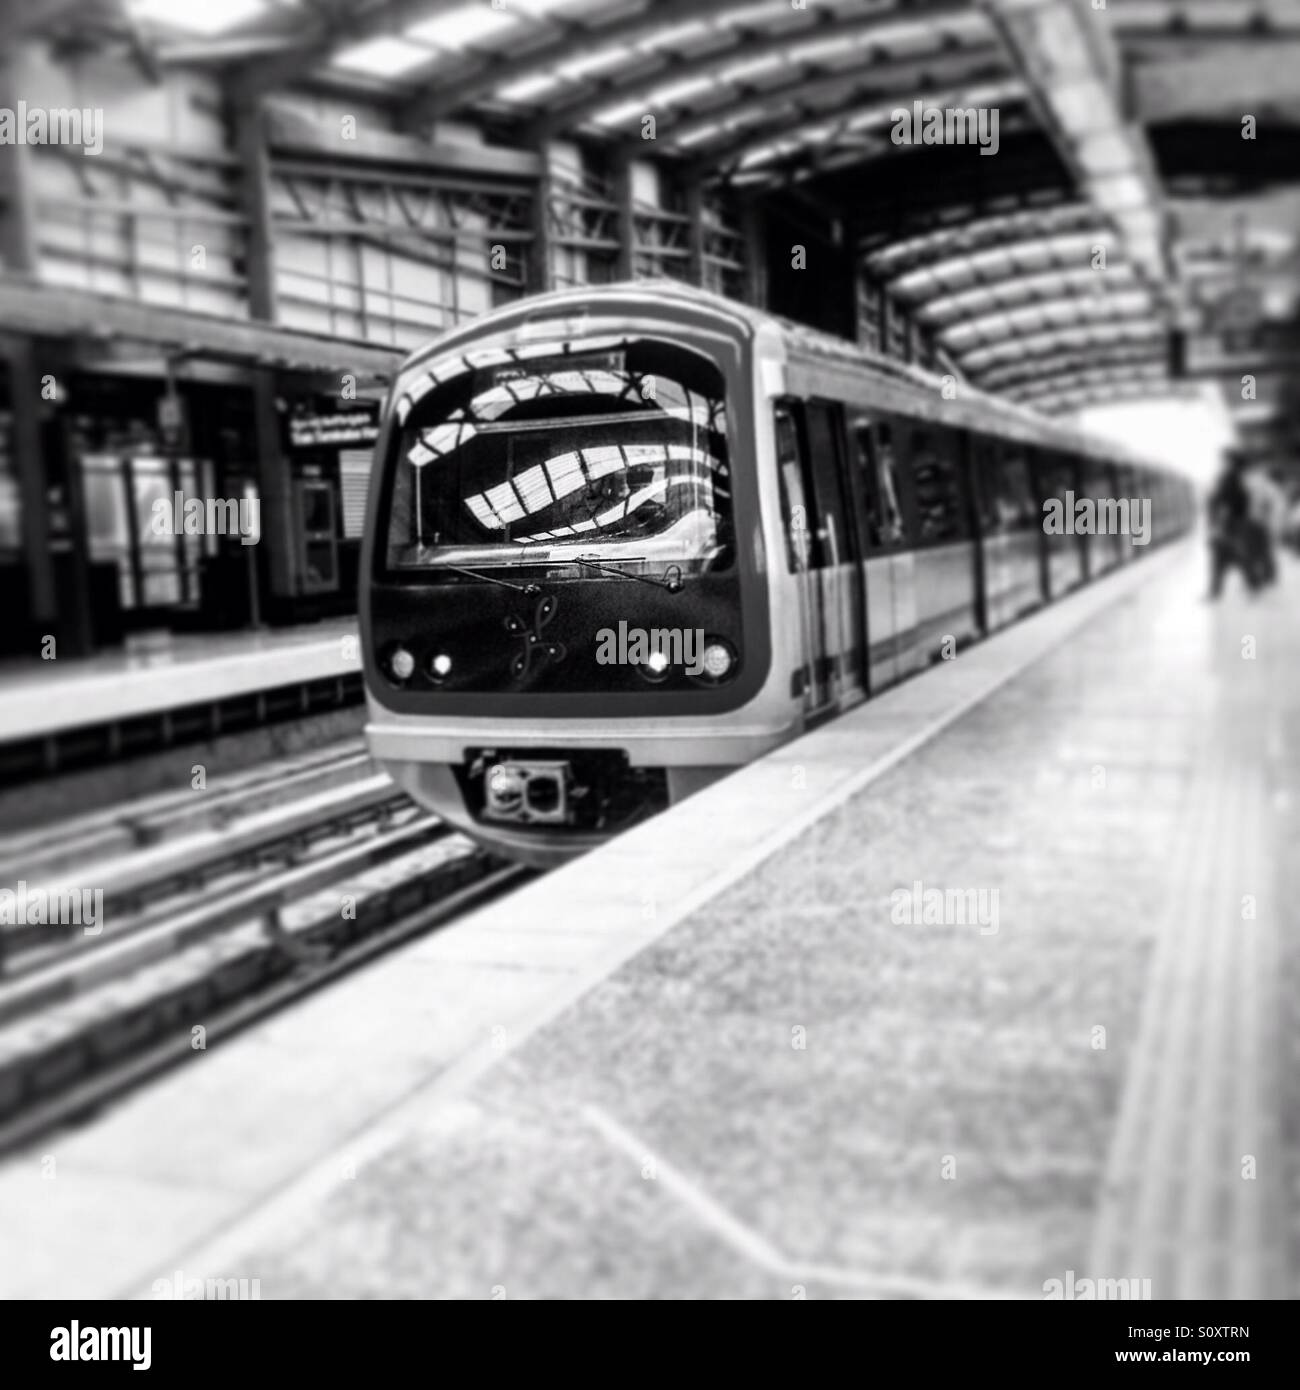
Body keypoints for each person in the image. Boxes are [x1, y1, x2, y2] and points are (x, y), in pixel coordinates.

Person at [1205, 452, 1255, 600]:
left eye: (1225, 460)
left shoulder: (1229, 478)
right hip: (1234, 523)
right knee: (1229, 556)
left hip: (1230, 524)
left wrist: (1219, 525)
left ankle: (1215, 592)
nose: (1222, 462)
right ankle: (1216, 591)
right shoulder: (1237, 478)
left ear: (1232, 462)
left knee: (1228, 556)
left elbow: (1225, 503)